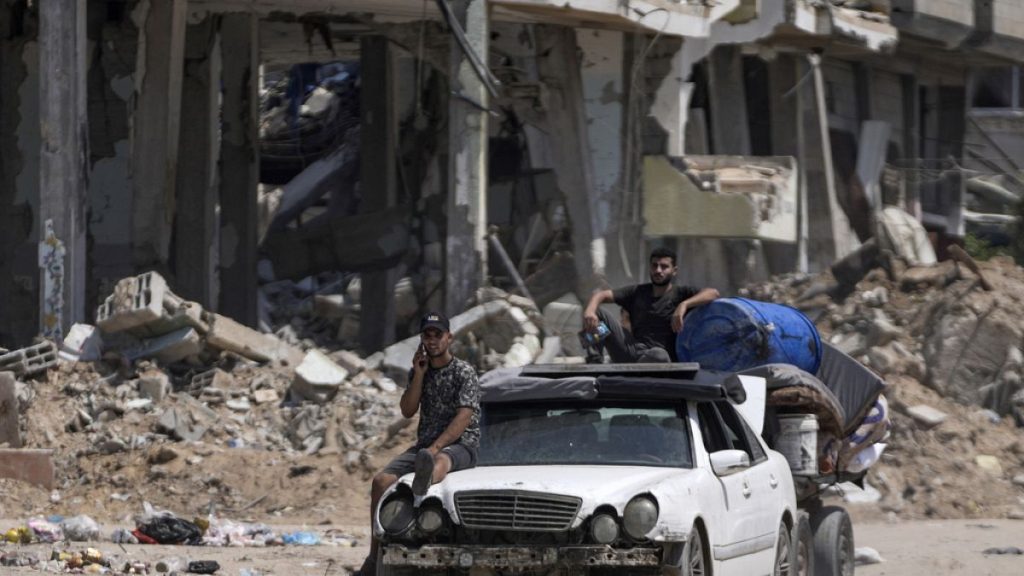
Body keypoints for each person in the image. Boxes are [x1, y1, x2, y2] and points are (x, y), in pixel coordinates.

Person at [354, 311, 480, 576]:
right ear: (422, 339)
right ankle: (374, 555)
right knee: (380, 482)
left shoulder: (464, 372)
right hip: (424, 446)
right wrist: (420, 375)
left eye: (438, 335)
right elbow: (407, 410)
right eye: (428, 335)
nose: (433, 340)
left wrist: (436, 448)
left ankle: (422, 481)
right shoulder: (419, 371)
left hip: (460, 444)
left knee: (441, 462)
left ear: (449, 338)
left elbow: (464, 417)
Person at [581, 247, 719, 363]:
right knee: (596, 313)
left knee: (658, 354)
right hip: (632, 351)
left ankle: (642, 368)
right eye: (655, 265)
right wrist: (589, 312)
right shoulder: (637, 292)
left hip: (660, 359)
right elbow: (600, 295)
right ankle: (595, 360)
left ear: (674, 270)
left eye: (664, 266)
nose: (658, 270)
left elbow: (713, 293)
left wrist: (684, 305)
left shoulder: (681, 293)